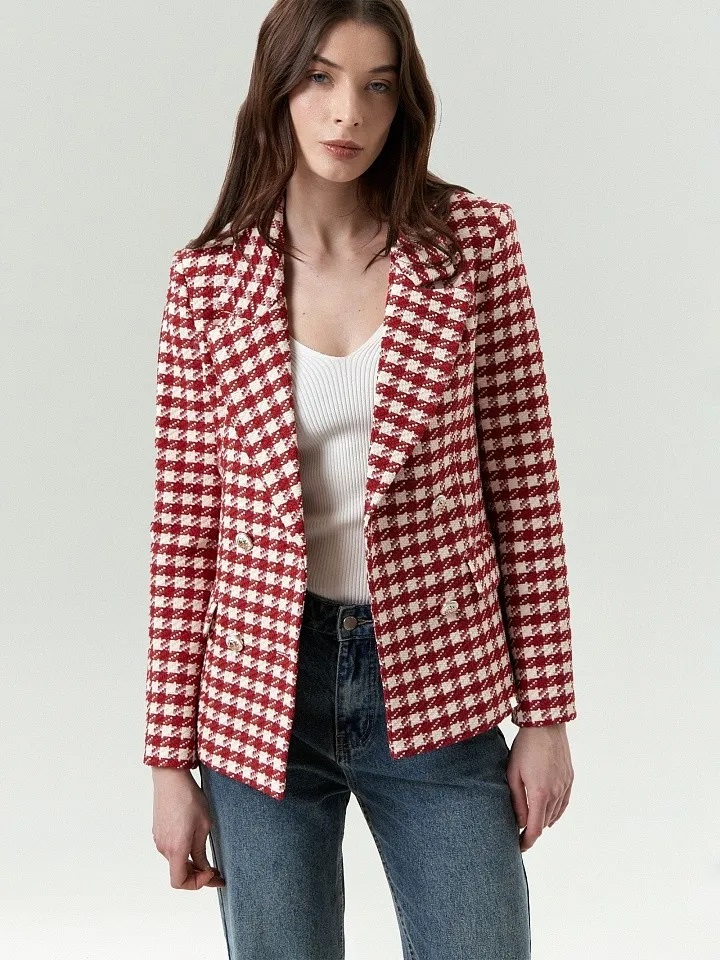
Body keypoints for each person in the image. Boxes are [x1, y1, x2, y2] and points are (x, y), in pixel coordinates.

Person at [144, 1, 577, 957]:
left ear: (403, 103)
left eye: (377, 87)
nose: (348, 114)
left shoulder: (472, 247)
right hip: (260, 690)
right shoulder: (206, 282)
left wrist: (545, 717)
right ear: (277, 89)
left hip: (437, 673)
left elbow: (524, 486)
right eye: (321, 79)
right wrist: (168, 763)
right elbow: (185, 533)